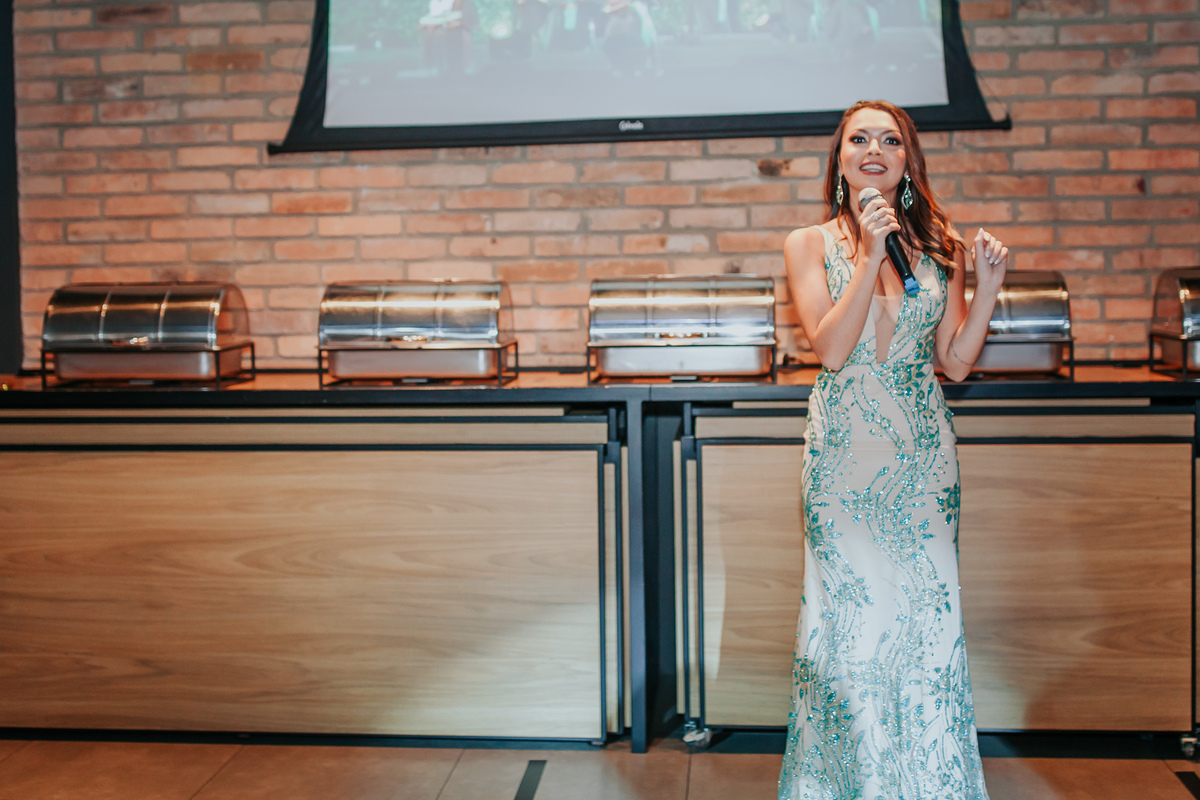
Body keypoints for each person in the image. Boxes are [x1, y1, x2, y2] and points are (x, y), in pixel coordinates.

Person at [777, 99, 1005, 800]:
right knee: (846, 625)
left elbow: (955, 362)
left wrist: (987, 289)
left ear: (908, 161)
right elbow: (831, 349)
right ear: (840, 160)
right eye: (859, 139)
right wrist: (870, 250)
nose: (874, 150)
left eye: (890, 140)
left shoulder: (939, 246)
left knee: (925, 624)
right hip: (843, 460)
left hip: (922, 459)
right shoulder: (807, 244)